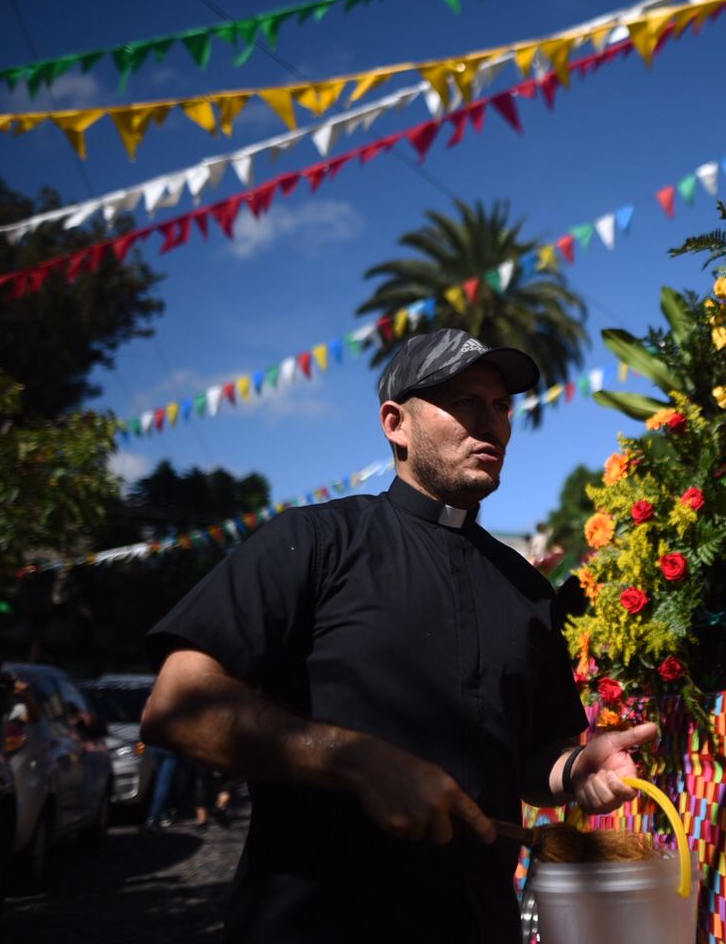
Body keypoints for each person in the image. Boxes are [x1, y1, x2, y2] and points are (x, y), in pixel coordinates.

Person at [141, 330, 657, 943]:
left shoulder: (528, 589)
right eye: (466, 402)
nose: (491, 423)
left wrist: (576, 769)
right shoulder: (314, 543)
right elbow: (176, 706)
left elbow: (526, 763)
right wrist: (356, 761)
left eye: (500, 407)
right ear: (396, 424)